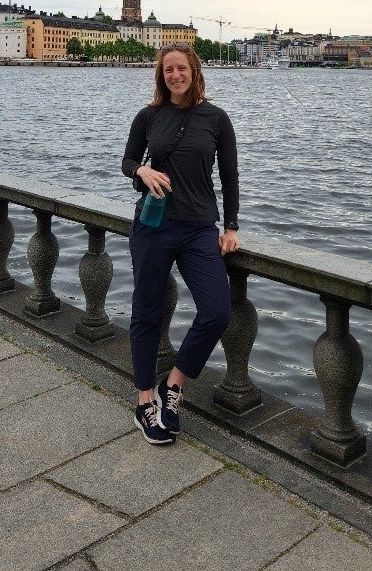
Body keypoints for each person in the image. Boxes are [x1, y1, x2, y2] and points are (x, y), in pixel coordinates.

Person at [121, 42, 240, 444]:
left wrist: (232, 226)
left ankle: (175, 384)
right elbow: (126, 162)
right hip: (153, 227)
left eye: (181, 69)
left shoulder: (217, 119)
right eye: (168, 70)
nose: (175, 75)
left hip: (199, 229)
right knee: (147, 313)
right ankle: (144, 402)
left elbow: (230, 175)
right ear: (161, 75)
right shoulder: (148, 116)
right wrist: (142, 171)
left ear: (194, 71)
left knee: (217, 311)